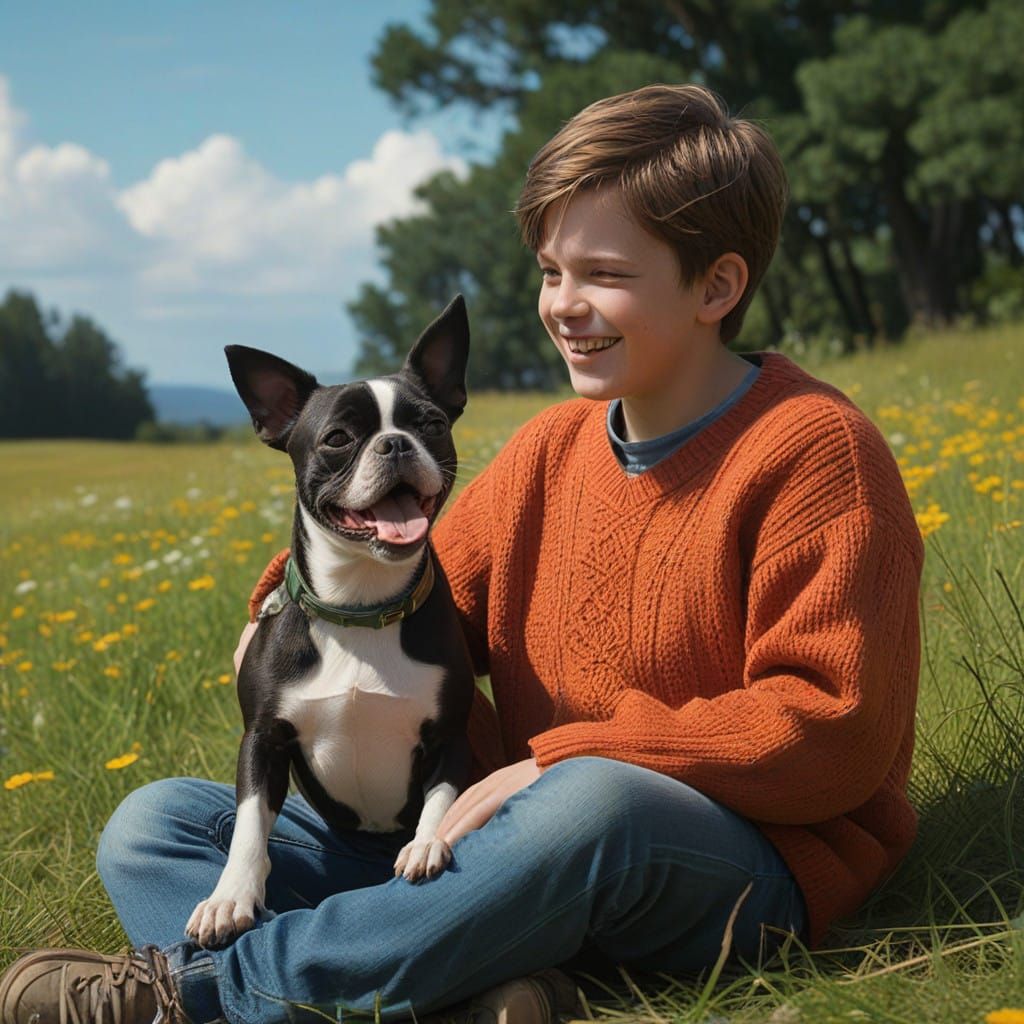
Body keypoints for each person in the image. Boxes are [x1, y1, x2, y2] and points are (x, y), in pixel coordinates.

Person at [0, 84, 923, 1024]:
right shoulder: (551, 452)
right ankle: (468, 990)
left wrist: (563, 759)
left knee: (592, 804)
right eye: (550, 271)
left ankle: (201, 997)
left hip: (732, 863)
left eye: (601, 273)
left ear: (716, 287)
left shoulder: (815, 453)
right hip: (512, 837)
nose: (563, 306)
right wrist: (280, 616)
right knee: (155, 826)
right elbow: (412, 581)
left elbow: (834, 731)